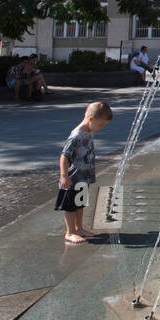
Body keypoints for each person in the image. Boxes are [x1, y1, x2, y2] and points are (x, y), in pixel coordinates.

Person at [55, 100, 114, 244]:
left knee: (80, 204)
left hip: (83, 178)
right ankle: (70, 232)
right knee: (70, 207)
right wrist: (64, 176)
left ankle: (79, 228)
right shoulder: (76, 135)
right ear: (91, 119)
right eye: (100, 125)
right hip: (72, 178)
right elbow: (64, 156)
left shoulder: (88, 132)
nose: (100, 128)